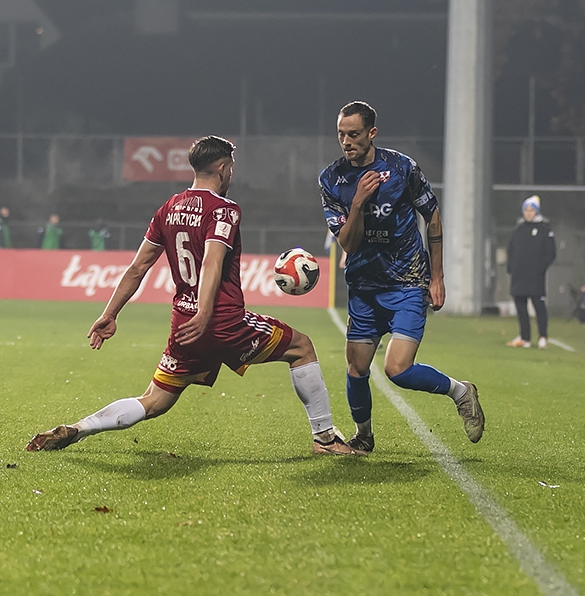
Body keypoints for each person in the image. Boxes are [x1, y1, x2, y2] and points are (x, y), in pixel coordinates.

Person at [27, 136, 362, 455]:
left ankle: (78, 428)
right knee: (301, 347)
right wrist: (206, 312)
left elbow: (136, 268)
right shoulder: (224, 209)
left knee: (154, 401)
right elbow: (212, 263)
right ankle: (325, 438)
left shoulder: (168, 208)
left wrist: (110, 313)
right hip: (220, 320)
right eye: (231, 166)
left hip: (184, 324)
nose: (232, 172)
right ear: (221, 167)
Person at [319, 101, 484, 453]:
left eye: (354, 134)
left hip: (407, 281)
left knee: (397, 369)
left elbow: (433, 216)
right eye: (341, 135)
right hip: (363, 286)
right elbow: (347, 240)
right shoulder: (331, 180)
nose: (346, 142)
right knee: (356, 368)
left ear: (372, 133)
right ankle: (363, 436)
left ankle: (461, 391)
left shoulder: (402, 168)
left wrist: (436, 277)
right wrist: (359, 203)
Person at [505, 195, 556, 349]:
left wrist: (540, 268)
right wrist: (511, 268)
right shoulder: (519, 230)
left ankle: (542, 336)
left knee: (539, 306)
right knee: (521, 306)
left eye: (531, 210)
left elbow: (550, 253)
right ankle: (525, 337)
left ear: (536, 212)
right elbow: (511, 250)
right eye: (526, 210)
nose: (528, 213)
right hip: (519, 276)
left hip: (535, 277)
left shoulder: (544, 229)